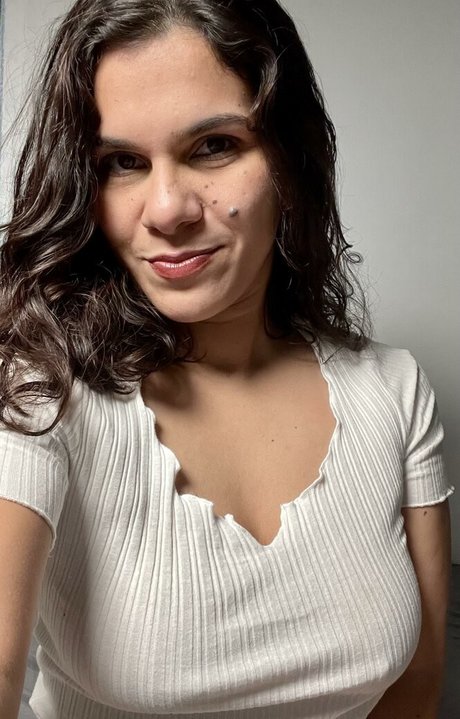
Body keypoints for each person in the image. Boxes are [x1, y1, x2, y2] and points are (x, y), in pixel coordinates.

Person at [0, 0, 453, 717]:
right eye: (122, 163)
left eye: (213, 146)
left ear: (290, 157)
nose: (166, 209)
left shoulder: (394, 391)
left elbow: (418, 684)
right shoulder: (39, 389)